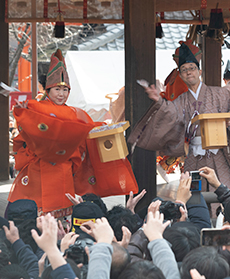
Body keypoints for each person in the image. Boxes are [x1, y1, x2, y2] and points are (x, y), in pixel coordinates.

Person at [8, 49, 137, 216]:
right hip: (40, 167)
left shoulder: (74, 112)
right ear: (48, 90)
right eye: (57, 89)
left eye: (65, 90)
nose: (62, 94)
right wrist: (25, 113)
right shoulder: (37, 107)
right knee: (37, 209)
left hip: (64, 168)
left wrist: (105, 128)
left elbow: (87, 129)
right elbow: (26, 129)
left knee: (64, 207)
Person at [129, 41, 230, 193]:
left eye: (192, 68)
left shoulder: (221, 93)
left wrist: (229, 122)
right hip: (194, 155)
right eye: (184, 70)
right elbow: (170, 113)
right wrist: (160, 101)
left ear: (199, 72)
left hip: (218, 155)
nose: (188, 72)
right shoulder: (181, 100)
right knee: (194, 197)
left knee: (225, 195)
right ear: (180, 75)